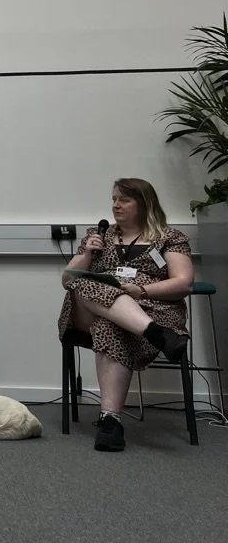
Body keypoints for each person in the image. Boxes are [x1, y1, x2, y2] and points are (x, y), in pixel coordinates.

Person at [59, 178, 193, 452]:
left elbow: (182, 283)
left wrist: (141, 290)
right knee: (84, 281)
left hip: (154, 307)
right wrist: (87, 254)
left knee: (109, 325)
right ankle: (156, 334)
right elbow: (67, 279)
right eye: (114, 199)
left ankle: (110, 420)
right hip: (95, 308)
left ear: (144, 204)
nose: (116, 205)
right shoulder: (99, 236)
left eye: (124, 200)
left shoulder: (169, 238)